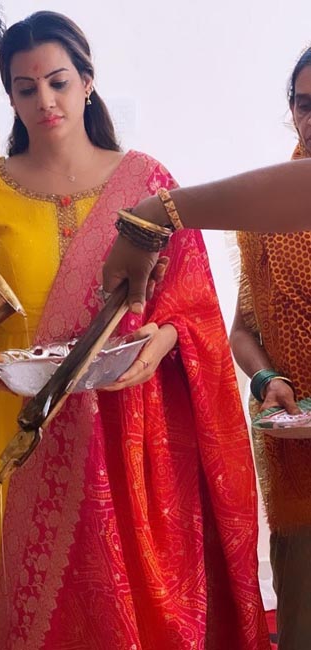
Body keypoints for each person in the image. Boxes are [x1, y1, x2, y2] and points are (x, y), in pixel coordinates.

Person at [0, 12, 270, 649]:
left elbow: (193, 303)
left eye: (58, 82)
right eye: (25, 88)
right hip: (24, 417)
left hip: (127, 420)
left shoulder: (148, 182)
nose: (44, 101)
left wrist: (164, 338)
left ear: (87, 81)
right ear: (10, 96)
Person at [230, 46, 311, 649]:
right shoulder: (265, 210)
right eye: (305, 104)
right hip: (296, 454)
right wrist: (265, 380)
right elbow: (243, 330)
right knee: (303, 615)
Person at [101, 159, 311, 311]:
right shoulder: (265, 225)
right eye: (303, 111)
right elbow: (243, 330)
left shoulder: (146, 172)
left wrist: (153, 214)